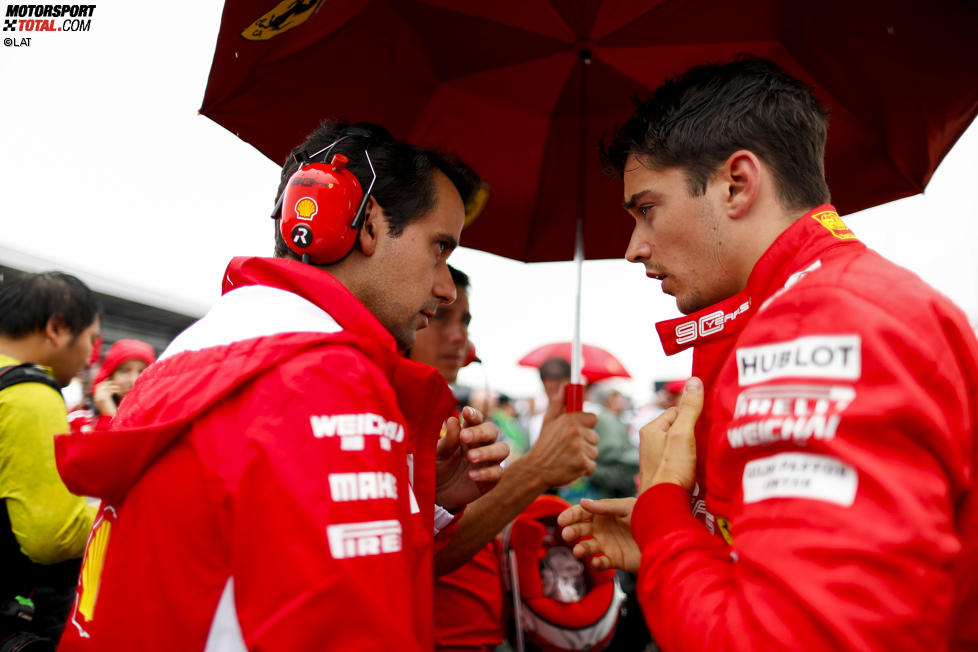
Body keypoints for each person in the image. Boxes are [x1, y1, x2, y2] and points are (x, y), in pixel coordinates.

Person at [558, 56, 978, 650]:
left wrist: (663, 514)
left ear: (737, 183)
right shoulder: (832, 299)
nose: (633, 248)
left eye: (646, 210)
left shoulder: (816, 322)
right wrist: (683, 537)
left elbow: (785, 638)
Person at [53, 121, 509, 650]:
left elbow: (241, 567)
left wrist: (411, 499)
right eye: (440, 248)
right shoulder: (325, 377)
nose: (447, 288)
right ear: (368, 224)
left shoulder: (206, 347)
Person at [408, 266, 600, 651]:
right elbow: (427, 553)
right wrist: (538, 468)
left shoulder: (443, 413)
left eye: (465, 321)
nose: (459, 336)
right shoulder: (391, 416)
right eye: (441, 314)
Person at [0, 271, 100, 647]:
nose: (91, 355)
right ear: (57, 328)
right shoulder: (30, 392)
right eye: (90, 339)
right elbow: (53, 536)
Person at [67, 338, 155, 434]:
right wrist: (108, 416)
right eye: (124, 370)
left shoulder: (158, 423)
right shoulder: (80, 421)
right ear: (109, 376)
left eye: (142, 371)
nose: (133, 380)